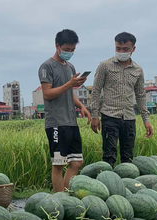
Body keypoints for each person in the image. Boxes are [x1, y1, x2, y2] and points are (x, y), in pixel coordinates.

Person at [38, 29, 91, 192]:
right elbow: (47, 94)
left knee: (76, 163)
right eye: (67, 49)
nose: (69, 53)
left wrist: (81, 106)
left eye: (72, 50)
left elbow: (69, 93)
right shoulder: (46, 67)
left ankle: (67, 196)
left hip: (71, 121)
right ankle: (58, 200)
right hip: (56, 123)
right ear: (57, 46)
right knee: (59, 164)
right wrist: (69, 84)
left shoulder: (70, 67)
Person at [90, 32, 153, 167]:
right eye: (118, 48)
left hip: (129, 118)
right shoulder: (105, 66)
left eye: (125, 49)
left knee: (128, 157)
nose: (121, 52)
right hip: (110, 116)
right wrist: (94, 115)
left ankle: (127, 185)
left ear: (133, 49)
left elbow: (141, 95)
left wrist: (146, 120)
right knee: (109, 156)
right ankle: (108, 185)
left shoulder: (138, 70)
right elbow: (95, 91)